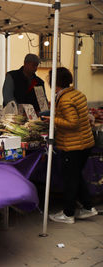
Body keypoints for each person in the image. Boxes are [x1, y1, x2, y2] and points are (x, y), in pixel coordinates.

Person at [44, 67, 97, 224]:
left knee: (70, 179)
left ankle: (68, 214)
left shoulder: (65, 99)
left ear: (55, 82)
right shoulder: (76, 93)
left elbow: (72, 123)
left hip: (73, 145)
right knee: (76, 177)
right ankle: (88, 207)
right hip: (84, 143)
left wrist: (51, 119)